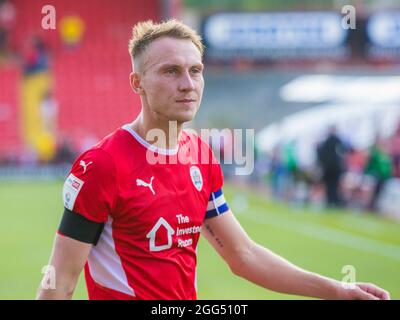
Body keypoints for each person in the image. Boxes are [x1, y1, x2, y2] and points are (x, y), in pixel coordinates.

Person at [36, 20, 390, 300]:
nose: (188, 84)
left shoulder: (201, 155)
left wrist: (337, 291)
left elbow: (243, 255)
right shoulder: (102, 165)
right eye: (171, 71)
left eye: (196, 70)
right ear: (137, 82)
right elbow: (60, 284)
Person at [317, 126, 347, 208]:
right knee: (334, 185)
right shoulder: (338, 140)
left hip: (329, 167)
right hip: (335, 167)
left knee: (330, 185)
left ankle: (330, 201)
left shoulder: (326, 141)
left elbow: (321, 154)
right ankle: (333, 201)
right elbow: (344, 151)